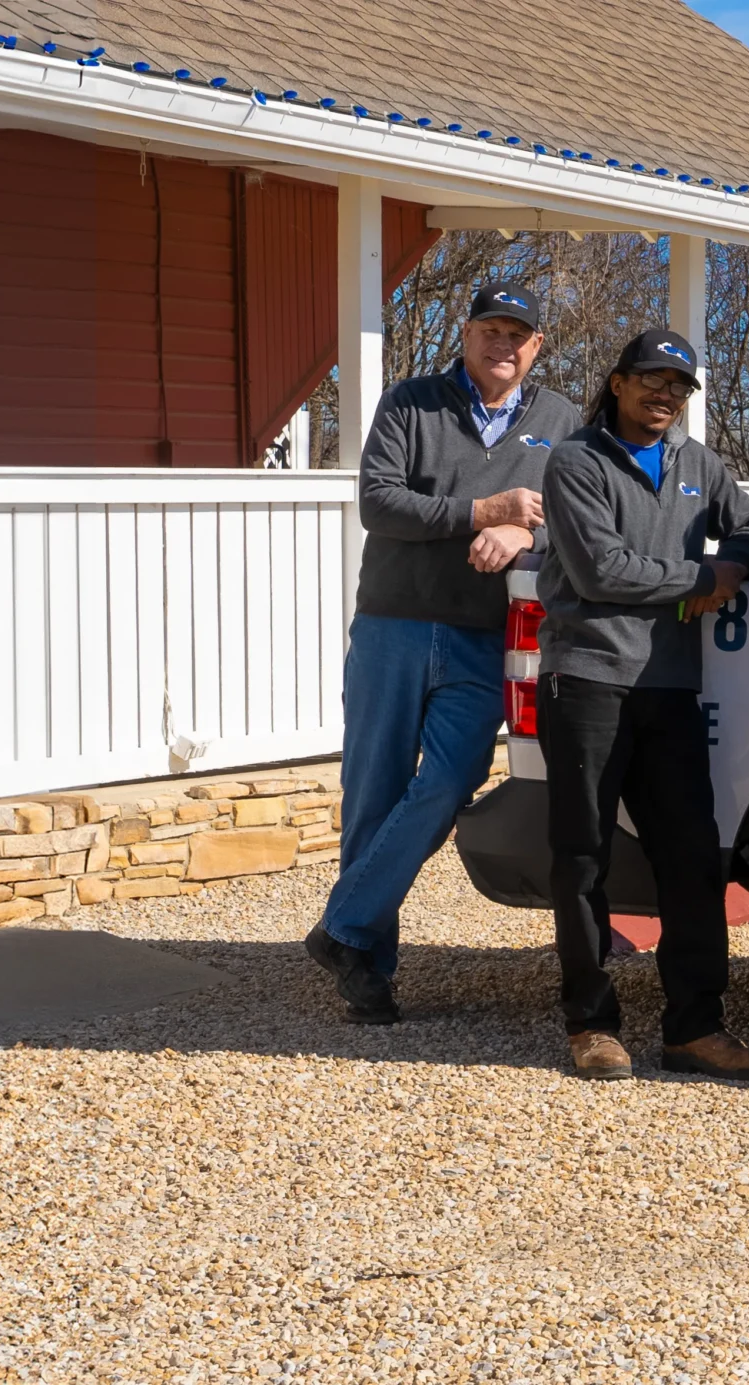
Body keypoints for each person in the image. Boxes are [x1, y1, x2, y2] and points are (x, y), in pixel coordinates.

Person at [304, 282, 579, 1025]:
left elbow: (582, 523)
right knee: (374, 792)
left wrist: (528, 535)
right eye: (490, 329)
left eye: (518, 334)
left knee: (450, 782)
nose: (503, 344)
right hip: (393, 625)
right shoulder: (411, 402)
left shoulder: (560, 421)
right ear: (467, 334)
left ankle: (344, 925)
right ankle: (368, 970)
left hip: (484, 638)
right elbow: (378, 501)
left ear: (537, 346)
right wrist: (481, 513)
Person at [535, 328, 749, 1082]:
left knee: (693, 861)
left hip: (669, 687)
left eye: (679, 385)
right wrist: (701, 580)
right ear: (617, 382)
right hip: (587, 680)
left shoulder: (699, 465)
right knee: (583, 858)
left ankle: (695, 1027)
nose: (665, 395)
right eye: (652, 380)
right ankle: (591, 1024)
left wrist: (734, 563)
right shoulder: (574, 462)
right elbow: (602, 570)